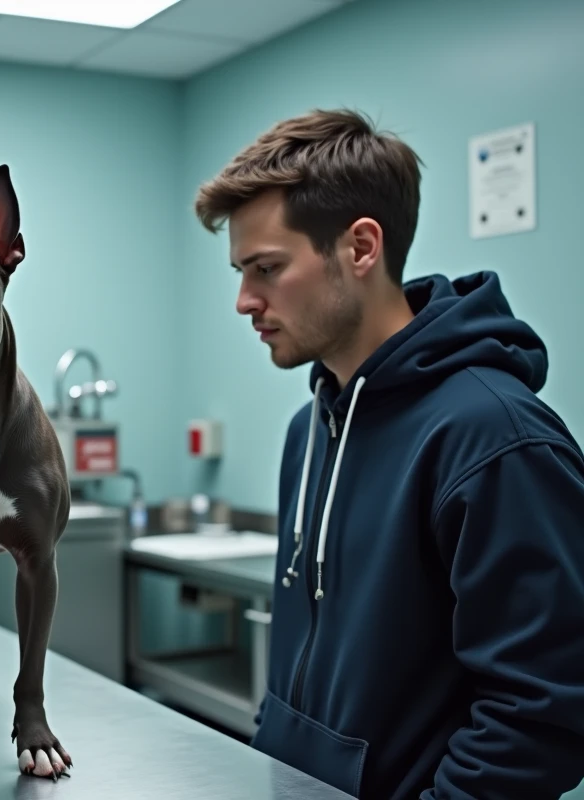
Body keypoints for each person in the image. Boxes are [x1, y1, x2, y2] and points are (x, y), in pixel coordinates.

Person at [193, 108, 584, 799]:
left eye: (266, 269)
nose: (244, 301)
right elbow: (294, 671)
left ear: (361, 247)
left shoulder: (494, 439)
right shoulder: (308, 430)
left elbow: (543, 712)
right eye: (240, 271)